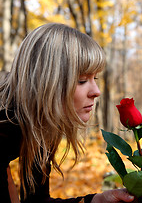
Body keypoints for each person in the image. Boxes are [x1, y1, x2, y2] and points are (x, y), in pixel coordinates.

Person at [0, 23, 135, 203]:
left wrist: (98, 200)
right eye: (81, 80)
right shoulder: (6, 125)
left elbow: (36, 200)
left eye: (94, 78)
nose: (96, 91)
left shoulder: (39, 124)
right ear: (46, 82)